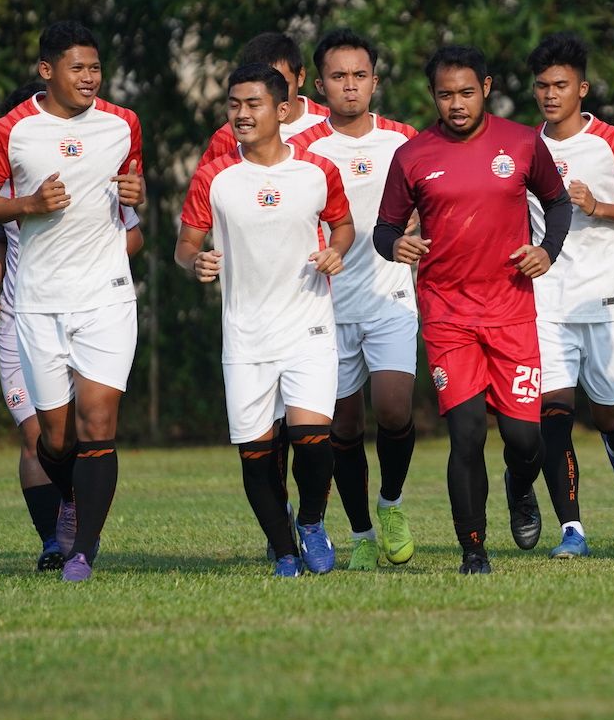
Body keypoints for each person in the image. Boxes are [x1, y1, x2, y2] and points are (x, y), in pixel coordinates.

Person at [372, 45, 573, 575]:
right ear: (433, 96)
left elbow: (557, 202)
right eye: (445, 94)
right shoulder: (413, 155)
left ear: (486, 87)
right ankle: (474, 551)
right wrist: (397, 245)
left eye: (465, 92)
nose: (456, 104)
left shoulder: (523, 143)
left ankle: (521, 485)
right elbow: (384, 228)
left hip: (511, 310)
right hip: (448, 315)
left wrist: (546, 250)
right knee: (466, 432)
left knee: (523, 439)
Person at [0, 21, 145, 582]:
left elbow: (130, 196)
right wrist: (29, 204)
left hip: (106, 298)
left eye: (95, 67)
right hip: (37, 304)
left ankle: (82, 552)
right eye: (78, 68)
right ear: (47, 70)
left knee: (99, 421)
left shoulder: (124, 124)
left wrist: (137, 193)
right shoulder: (10, 131)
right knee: (53, 438)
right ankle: (65, 507)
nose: (90, 77)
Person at [176, 64, 354, 576]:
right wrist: (198, 261)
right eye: (233, 105)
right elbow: (185, 245)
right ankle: (283, 550)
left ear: (281, 110)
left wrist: (335, 251)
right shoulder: (214, 174)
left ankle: (313, 523)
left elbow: (342, 225)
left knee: (312, 438)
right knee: (256, 451)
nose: (241, 114)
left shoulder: (318, 170)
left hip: (309, 327)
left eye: (252, 104)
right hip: (246, 334)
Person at [525, 32, 614, 559]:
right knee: (553, 415)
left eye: (561, 85)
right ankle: (572, 530)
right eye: (542, 86)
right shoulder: (522, 146)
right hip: (544, 303)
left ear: (581, 88)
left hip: (603, 303)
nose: (550, 95)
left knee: (608, 411)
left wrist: (600, 206)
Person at [287, 28, 422, 570]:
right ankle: (362, 531)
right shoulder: (301, 149)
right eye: (338, 77)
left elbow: (430, 201)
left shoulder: (405, 142)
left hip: (390, 297)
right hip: (325, 307)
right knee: (342, 428)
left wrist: (418, 228)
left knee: (392, 410)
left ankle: (389, 503)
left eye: (359, 76)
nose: (350, 86)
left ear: (375, 82)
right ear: (321, 84)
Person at [198, 32, 329, 166]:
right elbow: (205, 184)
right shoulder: (228, 136)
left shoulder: (331, 123)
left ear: (300, 76)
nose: (273, 99)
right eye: (261, 92)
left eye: (282, 86)